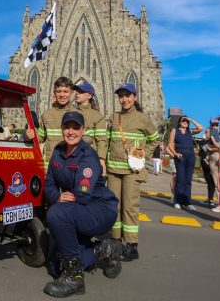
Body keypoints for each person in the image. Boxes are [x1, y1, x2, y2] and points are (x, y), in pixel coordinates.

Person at [43, 111, 121, 298]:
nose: (71, 131)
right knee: (55, 266)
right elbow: (49, 185)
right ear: (62, 129)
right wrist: (57, 197)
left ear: (83, 130)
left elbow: (82, 195)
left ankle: (75, 278)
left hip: (99, 209)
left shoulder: (88, 155)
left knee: (56, 214)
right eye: (67, 127)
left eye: (76, 127)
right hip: (76, 210)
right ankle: (104, 249)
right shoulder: (58, 151)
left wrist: (60, 203)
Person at [103, 83, 160, 262]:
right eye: (121, 96)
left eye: (127, 96)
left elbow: (155, 139)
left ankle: (131, 245)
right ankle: (115, 240)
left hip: (132, 171)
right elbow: (106, 141)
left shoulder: (142, 118)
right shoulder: (114, 117)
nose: (124, 99)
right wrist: (103, 162)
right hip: (113, 169)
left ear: (134, 97)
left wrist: (144, 155)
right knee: (114, 206)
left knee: (129, 207)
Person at [167, 115, 204, 211]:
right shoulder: (175, 130)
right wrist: (175, 154)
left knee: (188, 180)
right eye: (183, 120)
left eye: (187, 121)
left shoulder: (190, 131)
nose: (185, 122)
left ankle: (187, 202)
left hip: (190, 157)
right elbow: (170, 144)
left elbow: (201, 128)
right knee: (180, 179)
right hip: (180, 157)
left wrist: (191, 119)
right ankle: (177, 201)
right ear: (179, 122)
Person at [36, 77, 75, 164]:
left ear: (72, 93)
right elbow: (40, 137)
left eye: (65, 91)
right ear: (54, 93)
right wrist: (29, 136)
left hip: (70, 165)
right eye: (59, 91)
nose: (62, 95)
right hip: (50, 166)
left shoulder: (78, 115)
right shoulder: (46, 115)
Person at [72, 81, 107, 160]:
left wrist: (101, 159)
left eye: (81, 91)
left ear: (89, 96)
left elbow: (101, 140)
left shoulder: (97, 116)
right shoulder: (71, 113)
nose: (77, 93)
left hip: (88, 158)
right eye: (76, 91)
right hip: (71, 157)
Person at [199, 118, 220, 207]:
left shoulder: (215, 139)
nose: (207, 133)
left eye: (208, 132)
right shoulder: (203, 141)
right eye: (206, 132)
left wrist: (211, 147)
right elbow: (201, 152)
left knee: (214, 181)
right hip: (205, 163)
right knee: (209, 181)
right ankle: (210, 199)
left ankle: (213, 200)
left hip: (212, 163)